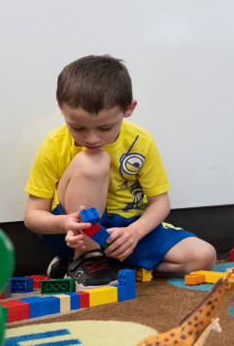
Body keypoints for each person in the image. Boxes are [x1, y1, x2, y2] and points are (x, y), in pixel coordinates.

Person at [23, 55, 216, 286]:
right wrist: (66, 223)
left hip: (126, 227)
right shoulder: (54, 143)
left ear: (129, 109)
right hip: (73, 232)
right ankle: (86, 258)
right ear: (61, 110)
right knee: (93, 160)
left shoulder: (141, 141)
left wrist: (134, 232)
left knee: (203, 257)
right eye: (77, 127)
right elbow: (33, 216)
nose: (92, 138)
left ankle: (112, 266)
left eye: (105, 127)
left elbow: (160, 202)